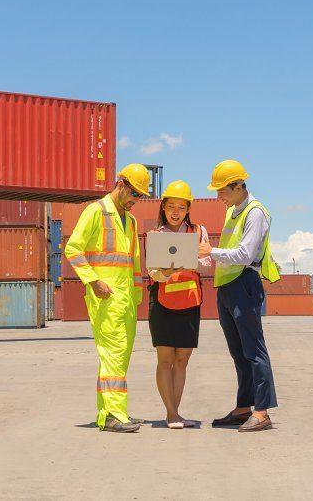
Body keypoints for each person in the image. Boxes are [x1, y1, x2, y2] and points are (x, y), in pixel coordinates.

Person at [64, 164, 149, 433]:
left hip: (125, 300)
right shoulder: (95, 211)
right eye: (134, 193)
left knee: (118, 357)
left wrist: (136, 295)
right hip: (105, 297)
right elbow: (73, 249)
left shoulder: (132, 221)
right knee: (113, 353)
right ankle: (115, 414)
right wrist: (92, 280)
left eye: (141, 196)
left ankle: (106, 414)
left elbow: (134, 263)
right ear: (121, 184)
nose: (136, 199)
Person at [198, 160, 281, 433]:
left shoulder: (255, 213)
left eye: (221, 190)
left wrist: (210, 252)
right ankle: (244, 406)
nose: (218, 196)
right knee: (239, 353)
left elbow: (244, 255)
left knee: (254, 351)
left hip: (244, 284)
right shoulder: (233, 211)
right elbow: (228, 252)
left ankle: (262, 411)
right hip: (227, 285)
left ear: (238, 186)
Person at [146, 180, 212, 429]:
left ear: (188, 209)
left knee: (182, 360)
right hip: (162, 303)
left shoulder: (198, 231)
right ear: (163, 207)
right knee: (165, 359)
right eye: (171, 206)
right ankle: (171, 413)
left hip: (189, 302)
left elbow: (207, 263)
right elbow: (152, 272)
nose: (176, 212)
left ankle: (177, 412)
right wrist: (164, 271)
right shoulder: (155, 235)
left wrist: (189, 261)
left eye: (181, 207)